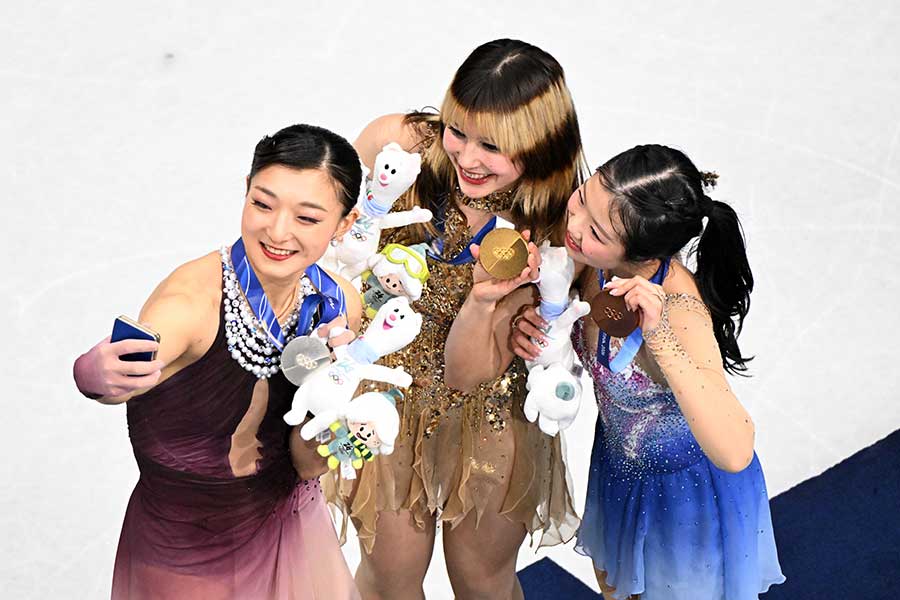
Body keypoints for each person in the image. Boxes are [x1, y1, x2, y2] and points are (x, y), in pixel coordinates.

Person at [445, 144, 785, 599]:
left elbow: (736, 449)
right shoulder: (592, 262)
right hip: (617, 467)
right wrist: (535, 323)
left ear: (642, 251)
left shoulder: (680, 312)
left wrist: (659, 338)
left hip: (684, 493)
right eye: (584, 198)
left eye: (597, 231)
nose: (575, 226)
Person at [72, 124, 364, 599]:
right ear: (246, 191)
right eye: (263, 204)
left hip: (292, 531)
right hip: (186, 552)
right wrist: (95, 373)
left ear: (344, 224)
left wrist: (335, 427)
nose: (278, 232)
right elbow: (131, 366)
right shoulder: (193, 303)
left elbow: (306, 464)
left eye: (307, 218)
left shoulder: (337, 306)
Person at [340, 39, 585, 599]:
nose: (467, 158)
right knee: (389, 579)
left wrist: (488, 304)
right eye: (458, 131)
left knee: (482, 582)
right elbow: (332, 234)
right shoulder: (399, 143)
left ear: (539, 144)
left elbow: (467, 375)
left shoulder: (552, 224)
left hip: (492, 411)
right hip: (385, 396)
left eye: (492, 146)